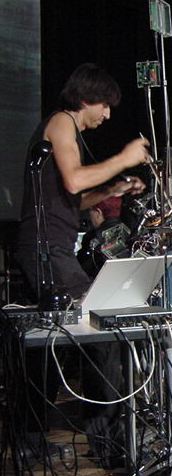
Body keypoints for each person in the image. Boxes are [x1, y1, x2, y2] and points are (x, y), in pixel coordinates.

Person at [14, 63, 149, 468]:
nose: (106, 115)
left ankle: (30, 439)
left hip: (48, 248)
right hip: (46, 251)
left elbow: (71, 201)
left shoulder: (65, 128)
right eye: (104, 105)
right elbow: (74, 181)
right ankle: (109, 445)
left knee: (45, 347)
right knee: (100, 331)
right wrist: (123, 159)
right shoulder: (61, 123)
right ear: (87, 98)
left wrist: (113, 188)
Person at [77, 195, 129, 278]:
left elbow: (81, 269)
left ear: (98, 212)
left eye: (90, 210)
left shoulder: (93, 238)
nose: (89, 214)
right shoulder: (128, 232)